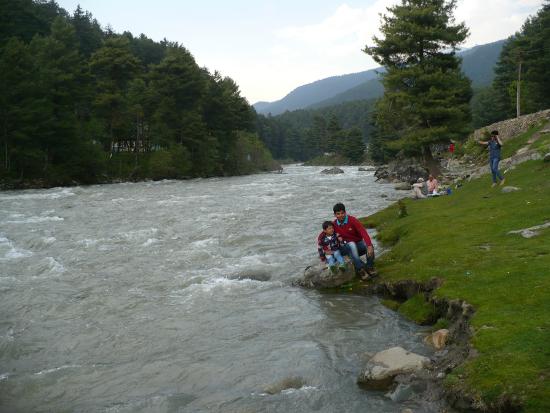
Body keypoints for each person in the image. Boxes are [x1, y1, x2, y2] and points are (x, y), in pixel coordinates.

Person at [332, 203, 376, 279]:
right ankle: (360, 269)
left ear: (345, 212)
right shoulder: (333, 225)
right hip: (345, 248)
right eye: (338, 214)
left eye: (342, 213)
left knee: (369, 245)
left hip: (357, 245)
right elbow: (324, 235)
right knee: (351, 244)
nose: (340, 215)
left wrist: (369, 245)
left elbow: (363, 232)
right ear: (335, 215)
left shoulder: (352, 220)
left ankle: (369, 267)